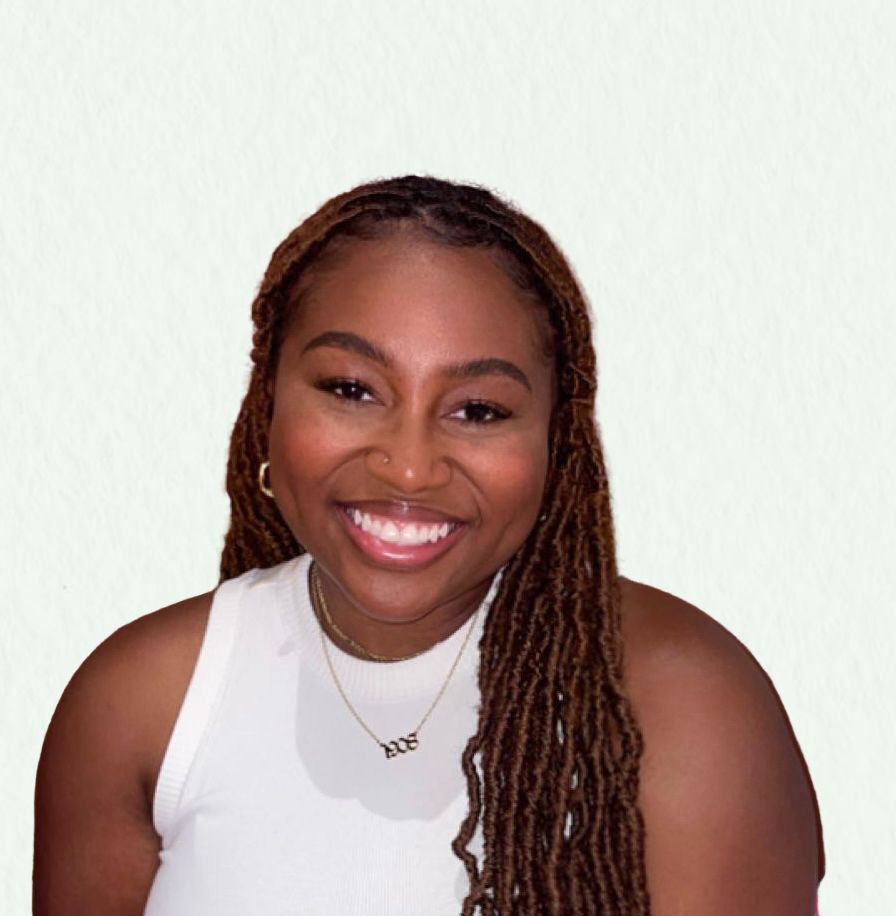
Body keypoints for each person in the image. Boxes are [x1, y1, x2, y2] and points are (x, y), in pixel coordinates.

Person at [33, 175, 824, 915]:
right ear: (265, 405)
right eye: (351, 390)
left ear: (559, 441)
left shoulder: (683, 701)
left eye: (478, 409)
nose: (408, 465)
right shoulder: (139, 703)